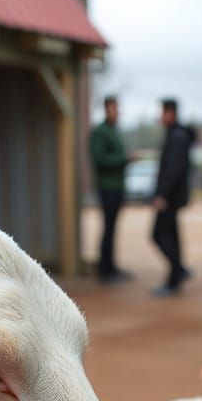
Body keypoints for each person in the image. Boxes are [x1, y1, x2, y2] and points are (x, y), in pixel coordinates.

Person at [151, 98, 196, 296]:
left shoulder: (176, 136)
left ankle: (176, 272)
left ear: (170, 113)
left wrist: (162, 194)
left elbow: (173, 169)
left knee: (158, 234)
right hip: (174, 196)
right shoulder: (177, 134)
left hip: (170, 198)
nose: (160, 117)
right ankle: (176, 275)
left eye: (162, 112)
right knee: (173, 236)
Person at [89, 95, 131, 284]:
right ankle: (105, 270)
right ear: (107, 109)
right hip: (108, 187)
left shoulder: (113, 131)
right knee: (108, 228)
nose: (117, 112)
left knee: (112, 228)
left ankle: (111, 267)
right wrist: (124, 159)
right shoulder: (101, 132)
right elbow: (99, 159)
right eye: (114, 108)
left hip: (117, 186)